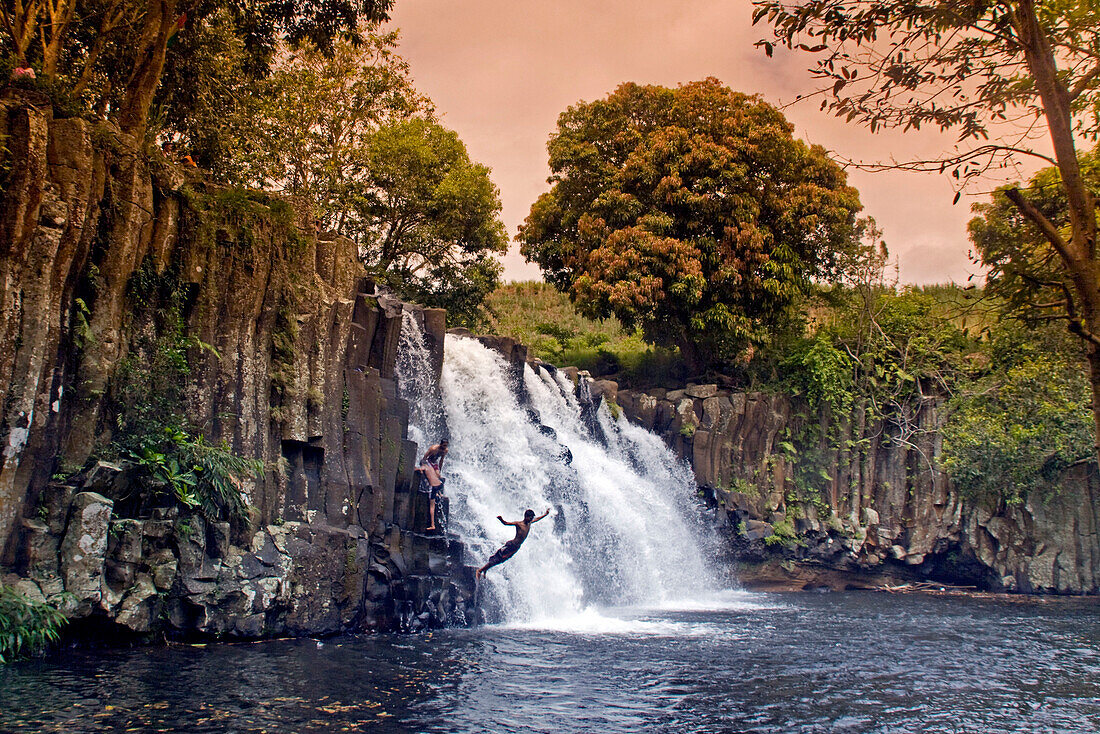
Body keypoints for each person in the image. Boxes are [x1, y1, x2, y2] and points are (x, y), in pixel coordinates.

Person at [476, 508, 550, 579]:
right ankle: (479, 570)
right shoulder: (519, 524)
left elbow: (537, 519)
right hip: (511, 545)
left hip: (516, 548)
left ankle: (485, 569)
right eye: (530, 517)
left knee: (501, 560)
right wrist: (501, 520)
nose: (531, 519)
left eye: (532, 518)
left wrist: (545, 514)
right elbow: (506, 523)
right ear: (526, 517)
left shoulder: (529, 523)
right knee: (498, 558)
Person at [415, 440, 448, 531]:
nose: (444, 447)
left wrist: (417, 468)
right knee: (436, 478)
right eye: (443, 445)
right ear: (440, 444)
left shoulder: (445, 451)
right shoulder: (433, 449)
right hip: (437, 481)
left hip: (434, 484)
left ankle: (432, 524)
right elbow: (425, 457)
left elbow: (441, 460)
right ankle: (438, 493)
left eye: (446, 446)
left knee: (431, 505)